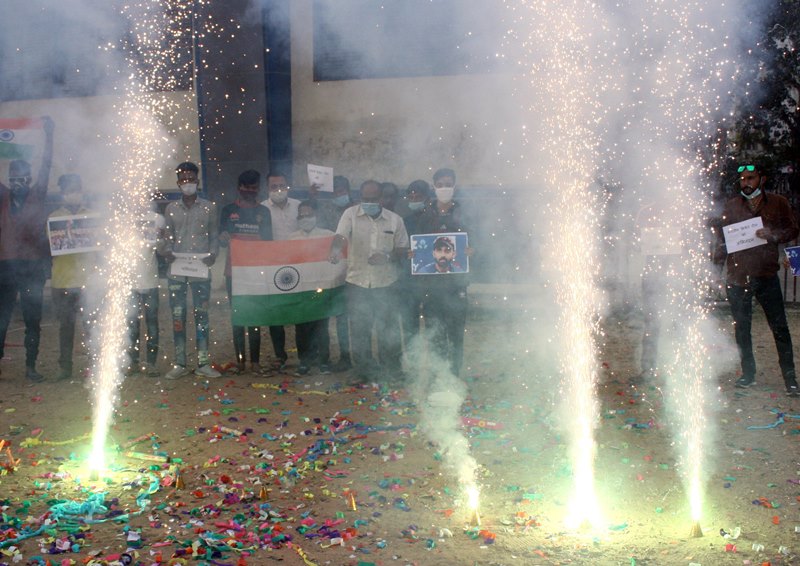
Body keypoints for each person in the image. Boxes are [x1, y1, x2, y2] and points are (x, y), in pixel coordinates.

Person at [716, 162, 799, 396]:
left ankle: (790, 379)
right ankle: (748, 374)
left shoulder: (778, 203)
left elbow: (792, 229)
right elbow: (723, 241)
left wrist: (773, 235)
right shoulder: (732, 206)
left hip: (766, 274)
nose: (746, 183)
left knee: (780, 327)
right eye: (743, 179)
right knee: (742, 328)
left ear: (761, 179)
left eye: (751, 178)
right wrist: (714, 271)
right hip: (738, 276)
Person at [329, 180, 409, 382]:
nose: (369, 202)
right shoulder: (350, 215)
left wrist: (388, 257)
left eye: (373, 199)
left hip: (386, 283)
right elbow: (340, 236)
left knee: (388, 328)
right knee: (359, 328)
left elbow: (404, 249)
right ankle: (363, 371)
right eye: (365, 199)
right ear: (360, 197)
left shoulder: (395, 220)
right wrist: (335, 250)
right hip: (358, 282)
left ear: (381, 198)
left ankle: (391, 369)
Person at [0, 116, 54, 382]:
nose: (18, 182)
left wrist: (49, 135)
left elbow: (46, 164)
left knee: (33, 319)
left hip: (32, 267)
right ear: (9, 180)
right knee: (1, 320)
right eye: (14, 178)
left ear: (29, 178)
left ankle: (31, 366)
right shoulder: (2, 198)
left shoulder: (37, 194)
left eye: (22, 178)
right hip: (5, 268)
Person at [159, 161, 221, 379]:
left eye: (191, 179)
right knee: (178, 315)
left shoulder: (209, 208)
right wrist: (166, 251)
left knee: (202, 315)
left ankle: (203, 362)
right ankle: (180, 363)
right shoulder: (170, 209)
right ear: (178, 183)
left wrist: (213, 254)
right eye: (184, 179)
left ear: (197, 181)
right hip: (176, 271)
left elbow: (214, 236)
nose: (188, 183)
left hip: (200, 271)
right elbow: (167, 238)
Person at [413, 167, 473, 377]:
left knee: (456, 334)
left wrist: (472, 250)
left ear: (454, 187)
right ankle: (439, 375)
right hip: (431, 286)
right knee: (434, 333)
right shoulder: (423, 215)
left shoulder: (465, 214)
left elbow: (477, 242)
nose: (444, 188)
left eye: (448, 184)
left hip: (457, 285)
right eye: (440, 184)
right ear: (434, 187)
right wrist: (415, 254)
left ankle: (454, 375)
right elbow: (418, 244)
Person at [220, 170, 273, 374]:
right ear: (239, 188)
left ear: (258, 189)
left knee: (255, 317)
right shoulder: (228, 210)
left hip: (256, 272)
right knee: (238, 317)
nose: (250, 192)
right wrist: (223, 237)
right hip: (233, 272)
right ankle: (241, 361)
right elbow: (220, 237)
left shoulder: (264, 212)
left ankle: (256, 362)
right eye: (246, 188)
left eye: (254, 188)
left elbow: (269, 243)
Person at [50, 174, 96, 381]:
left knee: (91, 327)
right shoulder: (53, 219)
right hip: (63, 281)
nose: (73, 194)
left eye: (76, 189)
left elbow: (101, 243)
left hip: (89, 281)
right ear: (62, 194)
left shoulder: (93, 216)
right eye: (68, 191)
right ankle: (65, 367)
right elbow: (51, 245)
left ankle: (95, 366)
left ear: (82, 190)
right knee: (66, 327)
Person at [260, 171, 300, 371]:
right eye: (273, 186)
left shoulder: (299, 206)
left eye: (281, 185)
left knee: (301, 310)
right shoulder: (261, 209)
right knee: (275, 314)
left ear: (288, 186)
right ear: (267, 189)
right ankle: (279, 355)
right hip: (272, 266)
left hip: (300, 265)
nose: (278, 190)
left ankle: (305, 355)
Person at [289, 200, 333, 375]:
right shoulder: (290, 239)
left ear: (316, 216)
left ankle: (323, 361)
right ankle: (304, 361)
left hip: (321, 287)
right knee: (302, 327)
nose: (305, 218)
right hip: (300, 289)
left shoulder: (328, 236)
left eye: (309, 215)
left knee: (321, 325)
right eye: (302, 215)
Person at [318, 175, 354, 371]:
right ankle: (324, 358)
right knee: (324, 316)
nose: (339, 195)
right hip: (327, 269)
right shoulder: (324, 211)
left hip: (350, 271)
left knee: (344, 317)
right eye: (335, 192)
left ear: (348, 191)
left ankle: (346, 357)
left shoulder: (356, 211)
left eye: (342, 191)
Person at [127, 195, 164, 378]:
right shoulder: (122, 220)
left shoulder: (157, 219)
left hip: (150, 280)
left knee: (152, 324)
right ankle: (132, 362)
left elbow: (163, 246)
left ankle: (151, 363)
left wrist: (160, 238)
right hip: (129, 281)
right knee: (131, 325)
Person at [398, 180, 431, 349]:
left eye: (418, 196)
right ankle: (413, 362)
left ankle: (437, 367)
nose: (414, 199)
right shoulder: (404, 222)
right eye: (411, 196)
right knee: (410, 324)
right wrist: (405, 252)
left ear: (427, 197)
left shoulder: (436, 218)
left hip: (433, 281)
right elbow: (398, 247)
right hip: (409, 280)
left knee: (433, 324)